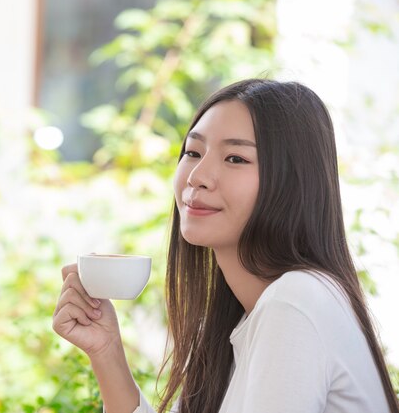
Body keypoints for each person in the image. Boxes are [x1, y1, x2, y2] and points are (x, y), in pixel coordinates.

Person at [52, 79, 399, 413]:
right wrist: (106, 351)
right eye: (192, 151)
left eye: (235, 158)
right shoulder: (235, 317)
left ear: (291, 182)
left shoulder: (293, 302)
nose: (197, 176)